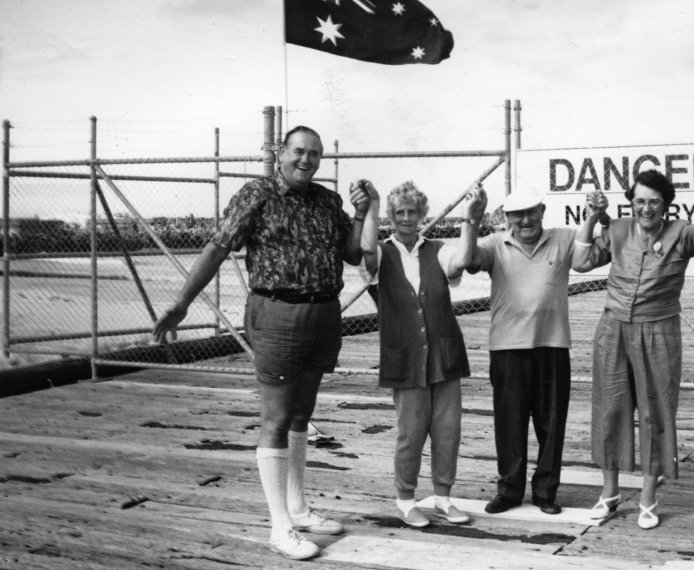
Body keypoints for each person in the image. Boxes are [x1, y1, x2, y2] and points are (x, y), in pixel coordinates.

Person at [153, 126, 371, 561]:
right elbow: (217, 249)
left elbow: (351, 254)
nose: (305, 160)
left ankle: (298, 508)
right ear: (279, 152)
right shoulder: (256, 195)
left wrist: (362, 213)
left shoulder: (328, 201)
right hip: (276, 313)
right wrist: (181, 303)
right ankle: (280, 527)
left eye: (314, 154)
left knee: (301, 414)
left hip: (324, 313)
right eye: (298, 152)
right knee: (275, 417)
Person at [573, 168, 694, 530]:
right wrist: (592, 218)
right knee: (610, 409)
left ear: (666, 207)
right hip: (613, 328)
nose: (646, 208)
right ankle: (610, 493)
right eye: (639, 201)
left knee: (655, 413)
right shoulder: (616, 230)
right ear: (631, 203)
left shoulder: (680, 233)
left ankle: (648, 496)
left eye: (654, 202)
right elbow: (580, 261)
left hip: (658, 330)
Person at [358, 180, 487, 527]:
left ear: (422, 214)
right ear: (390, 216)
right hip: (406, 359)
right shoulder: (382, 253)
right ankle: (405, 501)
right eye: (398, 212)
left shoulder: (437, 249)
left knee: (448, 430)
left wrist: (469, 220)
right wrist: (369, 207)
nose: (405, 218)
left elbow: (460, 262)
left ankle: (444, 498)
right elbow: (366, 251)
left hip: (445, 355)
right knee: (410, 434)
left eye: (412, 212)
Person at [462, 185, 581, 516]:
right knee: (509, 422)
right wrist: (471, 218)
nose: (525, 220)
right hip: (507, 347)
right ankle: (510, 490)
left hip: (553, 345)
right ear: (505, 217)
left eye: (531, 211)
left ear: (543, 210)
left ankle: (546, 491)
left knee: (551, 424)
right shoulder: (494, 243)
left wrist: (596, 217)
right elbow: (470, 261)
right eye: (517, 214)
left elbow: (591, 257)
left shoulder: (564, 237)